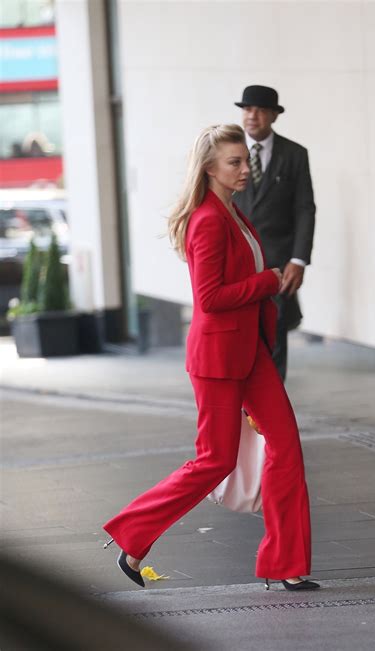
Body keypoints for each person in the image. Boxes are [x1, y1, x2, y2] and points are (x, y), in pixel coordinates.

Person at [103, 124, 318, 591]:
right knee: (214, 460)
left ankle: (286, 562)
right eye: (234, 162)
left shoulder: (233, 213)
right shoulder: (206, 219)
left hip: (250, 352)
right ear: (209, 168)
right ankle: (133, 535)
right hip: (218, 357)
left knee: (286, 447)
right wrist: (266, 282)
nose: (245, 169)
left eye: (245, 160)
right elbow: (210, 297)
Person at [233, 85, 316, 380]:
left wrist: (299, 260)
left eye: (259, 110)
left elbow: (305, 208)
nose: (251, 116)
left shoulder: (294, 154)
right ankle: (245, 413)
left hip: (277, 265)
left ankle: (270, 414)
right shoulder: (228, 152)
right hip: (237, 264)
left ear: (273, 116)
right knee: (240, 342)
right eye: (246, 109)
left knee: (274, 338)